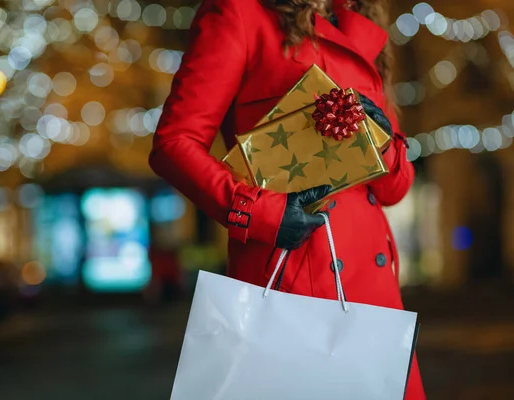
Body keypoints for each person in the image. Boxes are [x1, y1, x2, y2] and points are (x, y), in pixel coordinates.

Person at [149, 0, 425, 398]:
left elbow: (394, 190)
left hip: (375, 299)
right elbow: (174, 143)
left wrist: (382, 146)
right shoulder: (238, 13)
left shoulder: (360, 21)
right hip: (292, 279)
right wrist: (262, 213)